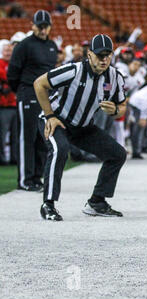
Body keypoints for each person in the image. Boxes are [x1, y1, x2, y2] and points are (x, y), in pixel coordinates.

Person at [33, 34, 127, 221]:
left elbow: (123, 107)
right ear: (89, 54)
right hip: (57, 119)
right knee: (60, 149)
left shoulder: (115, 76)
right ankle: (48, 204)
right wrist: (50, 115)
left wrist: (115, 110)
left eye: (108, 55)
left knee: (118, 154)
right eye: (100, 55)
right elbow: (39, 83)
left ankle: (97, 202)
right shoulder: (73, 70)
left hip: (83, 127)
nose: (104, 59)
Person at [7, 10, 58, 191]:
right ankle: (25, 180)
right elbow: (12, 74)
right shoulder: (24, 46)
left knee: (42, 138)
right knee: (26, 138)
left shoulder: (52, 46)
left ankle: (37, 177)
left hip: (46, 97)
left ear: (50, 27)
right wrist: (22, 92)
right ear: (33, 26)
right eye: (40, 26)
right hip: (28, 93)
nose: (43, 30)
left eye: (46, 26)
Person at [0, 43, 18, 165]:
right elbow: (10, 76)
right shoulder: (1, 63)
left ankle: (14, 158)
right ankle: (2, 158)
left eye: (10, 51)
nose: (8, 53)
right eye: (6, 50)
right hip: (3, 105)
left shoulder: (14, 64)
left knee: (15, 135)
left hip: (14, 104)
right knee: (3, 134)